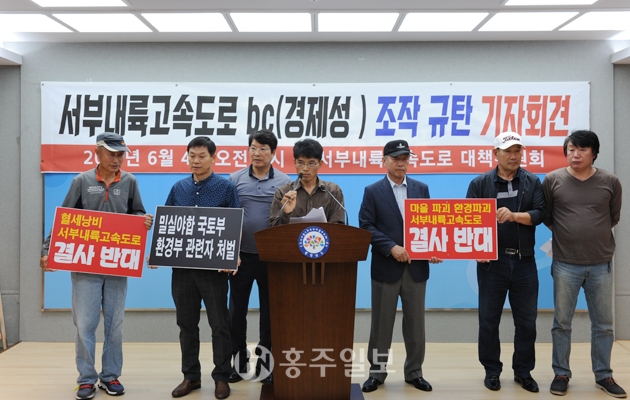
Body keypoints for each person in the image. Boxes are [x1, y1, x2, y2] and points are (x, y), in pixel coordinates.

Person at [40, 133, 153, 400]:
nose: (117, 159)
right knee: (84, 324)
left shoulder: (130, 182)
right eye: (112, 154)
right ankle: (86, 379)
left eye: (120, 154)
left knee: (115, 324)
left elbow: (137, 211)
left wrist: (143, 221)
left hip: (116, 265)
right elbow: (64, 218)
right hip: (85, 266)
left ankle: (110, 376)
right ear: (97, 153)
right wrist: (47, 250)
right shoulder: (81, 181)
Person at [543, 130, 626, 398]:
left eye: (582, 149)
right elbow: (547, 217)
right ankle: (561, 373)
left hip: (601, 263)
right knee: (561, 323)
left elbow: (613, 217)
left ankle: (603, 375)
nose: (575, 154)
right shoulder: (552, 180)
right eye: (571, 149)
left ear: (594, 153)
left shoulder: (610, 181)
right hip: (565, 263)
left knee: (603, 325)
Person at [358, 139, 442, 393]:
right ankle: (377, 373)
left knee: (416, 325)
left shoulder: (421, 188)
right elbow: (366, 225)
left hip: (416, 269)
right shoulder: (373, 191)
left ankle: (414, 372)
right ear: (384, 160)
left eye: (405, 158)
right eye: (396, 158)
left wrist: (434, 249)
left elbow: (429, 225)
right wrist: (391, 246)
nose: (401, 163)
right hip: (386, 267)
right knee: (381, 325)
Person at [466, 131, 544, 393]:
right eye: (508, 151)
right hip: (492, 264)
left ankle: (523, 372)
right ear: (495, 154)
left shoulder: (532, 181)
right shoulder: (480, 183)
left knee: (527, 322)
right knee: (489, 321)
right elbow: (469, 221)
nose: (513, 156)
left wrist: (513, 215)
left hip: (524, 261)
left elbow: (539, 214)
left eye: (517, 151)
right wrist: (476, 250)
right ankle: (492, 371)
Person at [163, 137, 239, 400]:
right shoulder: (178, 188)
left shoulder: (226, 188)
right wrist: (158, 251)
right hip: (182, 270)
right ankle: (191, 376)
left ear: (213, 158)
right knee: (186, 324)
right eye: (191, 156)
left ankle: (221, 376)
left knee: (219, 324)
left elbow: (235, 224)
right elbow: (168, 223)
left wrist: (233, 255)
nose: (195, 161)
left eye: (201, 156)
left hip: (213, 271)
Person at [227, 130, 291, 384]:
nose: (257, 153)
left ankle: (266, 367)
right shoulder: (235, 178)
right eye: (253, 148)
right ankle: (238, 364)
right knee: (236, 313)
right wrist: (230, 253)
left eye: (263, 149)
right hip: (240, 257)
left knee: (270, 315)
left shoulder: (285, 180)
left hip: (270, 258)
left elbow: (286, 218)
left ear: (273, 153)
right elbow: (228, 217)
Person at [269, 138, 345, 226]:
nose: (305, 168)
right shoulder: (283, 193)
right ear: (294, 163)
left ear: (320, 164)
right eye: (300, 163)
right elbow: (273, 228)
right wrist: (286, 213)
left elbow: (338, 225)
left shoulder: (333, 191)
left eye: (311, 163)